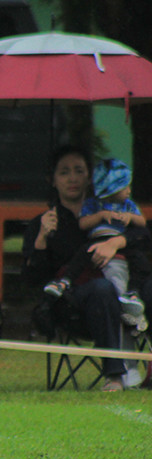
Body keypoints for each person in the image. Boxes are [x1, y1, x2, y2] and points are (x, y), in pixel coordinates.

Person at [22, 146, 150, 392]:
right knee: (102, 289)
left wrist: (117, 242)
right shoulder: (47, 221)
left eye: (78, 171)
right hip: (76, 301)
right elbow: (31, 278)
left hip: (123, 288)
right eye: (64, 172)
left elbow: (144, 236)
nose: (72, 178)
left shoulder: (111, 207)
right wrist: (41, 238)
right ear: (53, 180)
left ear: (89, 177)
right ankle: (115, 375)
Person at [43, 158, 149, 328]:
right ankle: (64, 282)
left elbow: (142, 224)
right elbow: (83, 223)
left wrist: (130, 218)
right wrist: (100, 215)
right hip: (97, 241)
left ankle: (133, 293)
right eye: (125, 187)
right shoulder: (93, 204)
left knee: (139, 261)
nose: (129, 191)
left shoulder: (128, 205)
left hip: (122, 243)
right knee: (82, 255)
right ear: (112, 189)